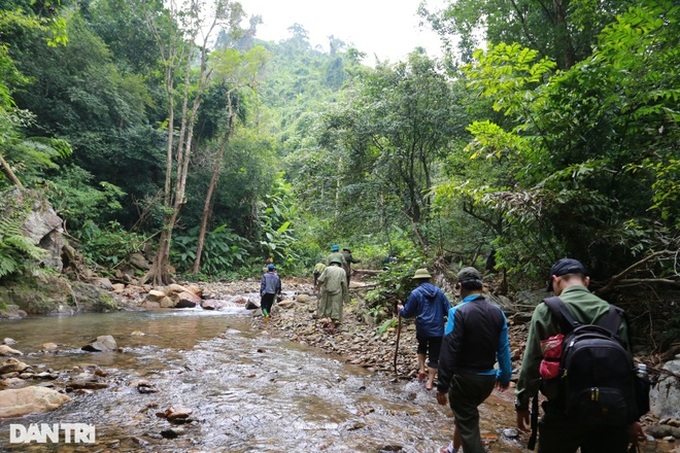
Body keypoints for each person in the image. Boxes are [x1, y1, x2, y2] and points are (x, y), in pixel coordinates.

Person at [514, 258, 644, 453]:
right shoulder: (615, 314)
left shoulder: (546, 311)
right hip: (611, 415)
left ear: (556, 280)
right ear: (587, 281)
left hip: (563, 413)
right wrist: (632, 418)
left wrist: (522, 402)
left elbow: (532, 361)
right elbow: (627, 371)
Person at [436, 266, 512, 453]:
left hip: (464, 380)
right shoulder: (498, 313)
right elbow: (503, 349)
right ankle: (453, 448)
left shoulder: (458, 312)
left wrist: (442, 385)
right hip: (487, 380)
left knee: (468, 422)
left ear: (460, 286)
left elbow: (449, 350)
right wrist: (504, 375)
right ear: (481, 286)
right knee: (466, 415)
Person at [398, 268, 452, 391]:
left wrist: (400, 309)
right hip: (438, 329)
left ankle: (422, 370)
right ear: (429, 278)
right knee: (434, 356)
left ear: (417, 280)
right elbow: (449, 310)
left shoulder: (415, 293)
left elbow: (407, 313)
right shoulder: (439, 292)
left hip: (422, 328)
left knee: (421, 347)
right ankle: (430, 382)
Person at [317, 258, 348, 334]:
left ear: (331, 263)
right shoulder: (342, 271)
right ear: (339, 264)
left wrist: (318, 286)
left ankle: (327, 320)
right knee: (336, 307)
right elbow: (344, 285)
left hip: (327, 291)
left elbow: (320, 280)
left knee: (326, 305)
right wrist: (346, 297)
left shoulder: (327, 269)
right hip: (337, 292)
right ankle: (332, 325)